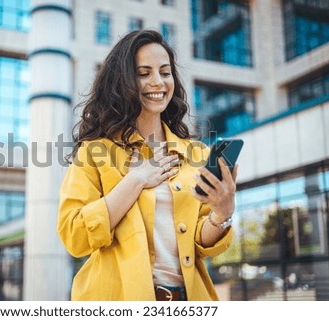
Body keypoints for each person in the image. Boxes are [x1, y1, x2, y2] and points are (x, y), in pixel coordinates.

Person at [57, 29, 237, 301]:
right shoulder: (95, 151)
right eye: (144, 73)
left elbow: (200, 242)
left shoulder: (195, 153)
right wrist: (136, 180)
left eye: (165, 73)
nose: (158, 82)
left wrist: (222, 214)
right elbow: (75, 236)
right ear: (123, 82)